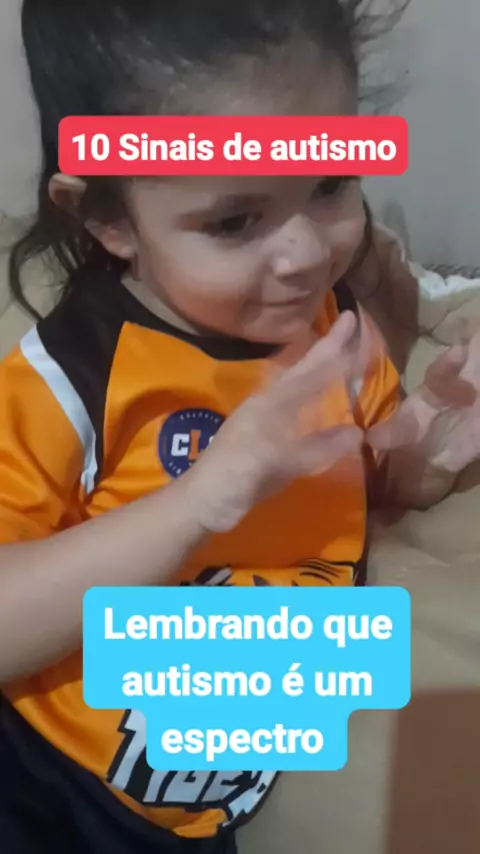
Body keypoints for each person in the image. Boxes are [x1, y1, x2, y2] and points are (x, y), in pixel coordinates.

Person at [2, 0, 480, 851]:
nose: (306, 254)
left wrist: (424, 448)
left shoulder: (337, 334)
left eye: (329, 184)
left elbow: (362, 480)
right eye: (234, 220)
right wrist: (200, 502)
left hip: (203, 805)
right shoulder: (70, 378)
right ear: (107, 219)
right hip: (43, 772)